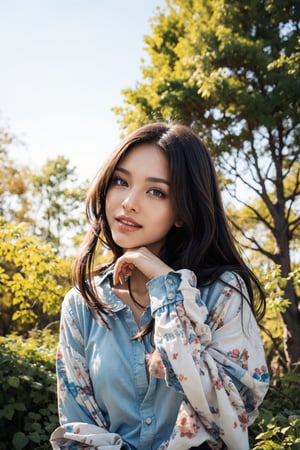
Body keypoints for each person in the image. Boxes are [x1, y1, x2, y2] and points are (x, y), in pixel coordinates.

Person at [50, 123, 269, 450]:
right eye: (121, 182)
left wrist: (169, 291)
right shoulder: (83, 304)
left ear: (182, 210)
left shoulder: (221, 292)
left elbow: (230, 415)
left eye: (156, 191)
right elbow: (78, 427)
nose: (129, 202)